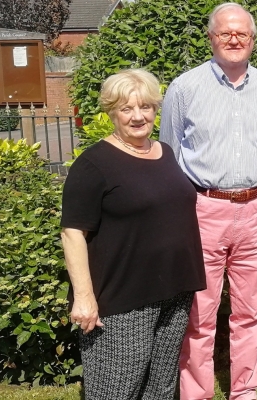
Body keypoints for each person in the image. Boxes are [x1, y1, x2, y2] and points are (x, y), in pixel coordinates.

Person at [160, 2, 257, 400]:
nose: (234, 39)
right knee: (200, 312)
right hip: (204, 209)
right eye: (225, 32)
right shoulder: (185, 88)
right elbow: (168, 151)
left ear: (252, 40)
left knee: (251, 310)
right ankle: (197, 393)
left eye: (242, 33)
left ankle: (244, 391)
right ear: (211, 37)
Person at [60, 69, 206, 399]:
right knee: (117, 386)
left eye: (146, 107)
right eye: (127, 109)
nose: (138, 117)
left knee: (161, 384)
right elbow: (72, 233)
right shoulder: (94, 164)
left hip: (175, 288)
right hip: (124, 297)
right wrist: (83, 296)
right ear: (112, 112)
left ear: (156, 109)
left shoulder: (165, 152)